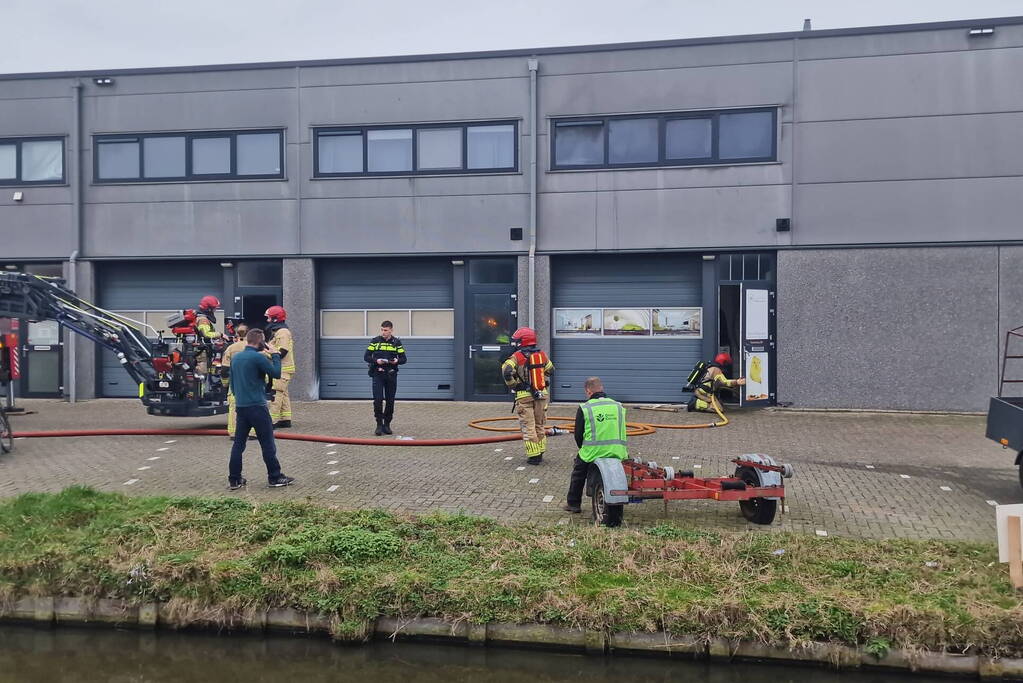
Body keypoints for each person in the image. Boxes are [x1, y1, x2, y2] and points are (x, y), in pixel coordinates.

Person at [227, 328, 294, 490]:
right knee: (267, 444)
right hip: (257, 407)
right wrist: (276, 355)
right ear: (260, 341)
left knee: (238, 444)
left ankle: (234, 479)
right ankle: (275, 476)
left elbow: (233, 385)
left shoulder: (236, 358)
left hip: (241, 407)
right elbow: (276, 373)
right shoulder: (258, 358)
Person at [563, 376, 628, 514]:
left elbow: (578, 434)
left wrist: (583, 448)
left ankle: (573, 504)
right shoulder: (618, 406)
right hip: (618, 451)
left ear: (588, 391)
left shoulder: (585, 408)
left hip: (592, 451)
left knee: (578, 474)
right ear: (602, 388)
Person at [501, 326, 554, 465]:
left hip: (524, 396)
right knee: (540, 424)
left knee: (528, 425)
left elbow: (506, 371)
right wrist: (541, 376)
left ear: (522, 341)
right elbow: (551, 370)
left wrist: (514, 385)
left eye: (517, 341)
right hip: (542, 394)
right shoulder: (542, 354)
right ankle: (540, 452)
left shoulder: (517, 356)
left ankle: (534, 456)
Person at [365, 321, 407, 435]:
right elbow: (366, 356)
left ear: (391, 330)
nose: (383, 332)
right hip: (378, 374)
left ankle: (387, 424)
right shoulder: (375, 341)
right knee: (378, 400)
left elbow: (404, 359)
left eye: (386, 330)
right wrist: (376, 361)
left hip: (391, 375)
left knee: (390, 401)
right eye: (382, 330)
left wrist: (397, 361)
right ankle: (379, 425)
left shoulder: (397, 343)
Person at [264, 305, 294, 429]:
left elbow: (282, 352)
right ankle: (285, 419)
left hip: (283, 369)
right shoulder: (278, 332)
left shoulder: (283, 332)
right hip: (281, 369)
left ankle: (272, 421)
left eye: (269, 318)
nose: (267, 321)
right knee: (283, 393)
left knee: (276, 394)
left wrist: (265, 352)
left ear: (275, 319)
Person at [221, 322, 249, 440]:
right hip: (252, 383)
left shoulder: (231, 348)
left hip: (235, 384)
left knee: (234, 409)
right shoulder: (255, 346)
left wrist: (225, 383)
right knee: (254, 408)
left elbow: (224, 369)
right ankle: (252, 433)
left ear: (237, 334)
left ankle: (234, 433)